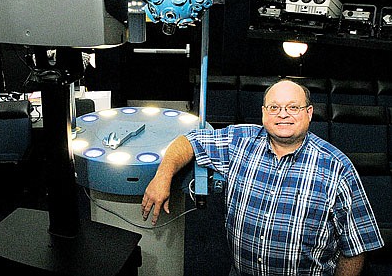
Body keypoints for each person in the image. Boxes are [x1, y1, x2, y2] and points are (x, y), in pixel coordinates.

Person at [141, 79, 384, 275]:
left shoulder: (337, 167)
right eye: (275, 107)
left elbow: (355, 246)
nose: (283, 114)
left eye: (293, 107)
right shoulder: (240, 141)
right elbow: (189, 141)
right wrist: (163, 175)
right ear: (264, 113)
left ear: (309, 113)